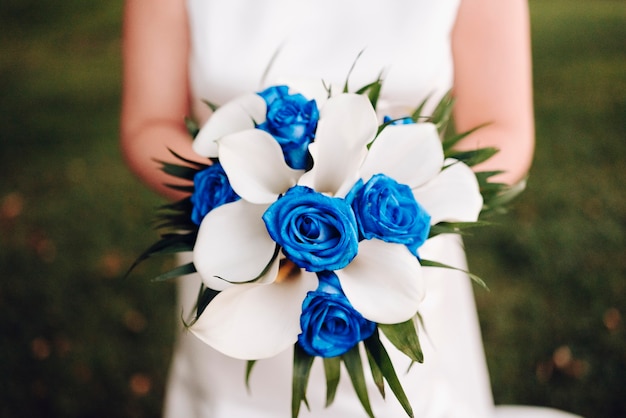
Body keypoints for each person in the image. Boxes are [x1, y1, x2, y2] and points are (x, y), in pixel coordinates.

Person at [120, 1, 582, 417]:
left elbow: (503, 130)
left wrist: (376, 218)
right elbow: (149, 123)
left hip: (401, 260)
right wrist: (248, 199)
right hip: (234, 252)